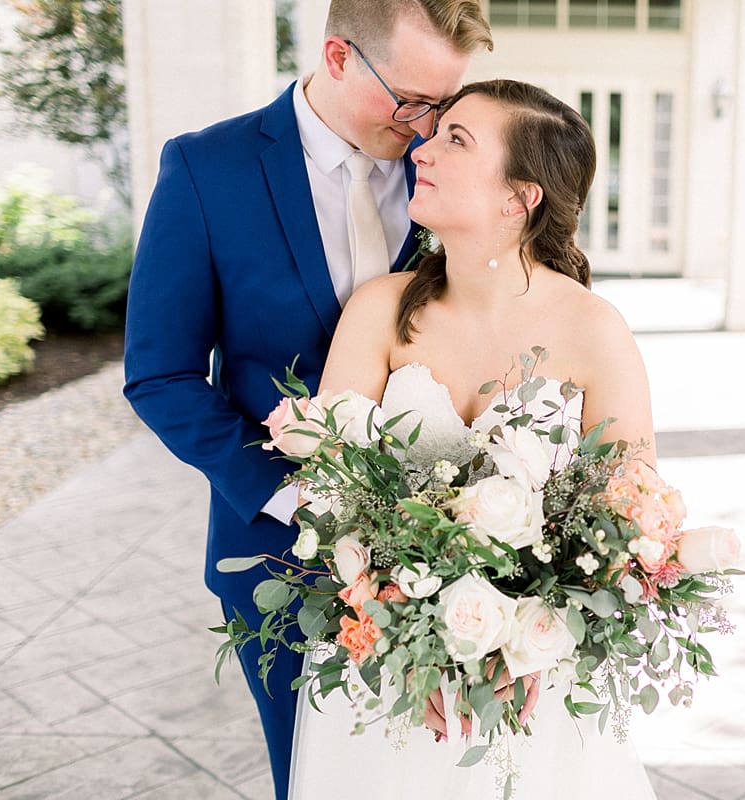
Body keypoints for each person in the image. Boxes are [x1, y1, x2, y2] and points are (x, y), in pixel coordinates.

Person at [122, 3, 492, 797]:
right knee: (318, 779)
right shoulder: (205, 169)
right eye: (412, 100)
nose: (427, 126)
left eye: (445, 105)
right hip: (280, 559)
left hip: (452, 560)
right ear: (336, 57)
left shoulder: (441, 168)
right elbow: (160, 375)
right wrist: (289, 496)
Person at [288, 80, 659, 797]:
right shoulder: (378, 309)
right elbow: (327, 490)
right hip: (387, 667)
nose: (423, 150)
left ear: (520, 198)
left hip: (535, 680)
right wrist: (398, 628)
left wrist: (523, 638)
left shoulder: (594, 329)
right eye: (439, 132)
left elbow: (633, 519)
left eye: (457, 140)